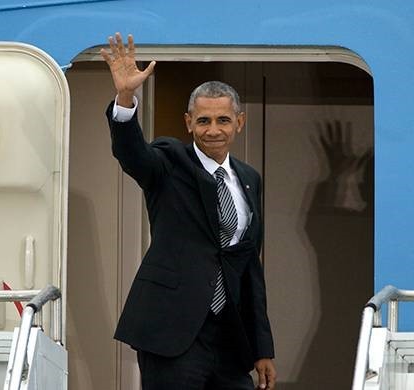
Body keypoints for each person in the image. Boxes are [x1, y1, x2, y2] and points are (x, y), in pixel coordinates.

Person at [101, 32, 277, 390]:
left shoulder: (249, 179)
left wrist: (263, 349)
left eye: (223, 121)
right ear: (188, 123)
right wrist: (125, 97)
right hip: (172, 332)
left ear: (238, 123)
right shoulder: (168, 161)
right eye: (203, 121)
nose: (213, 130)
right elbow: (132, 154)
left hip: (230, 338)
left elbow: (249, 270)